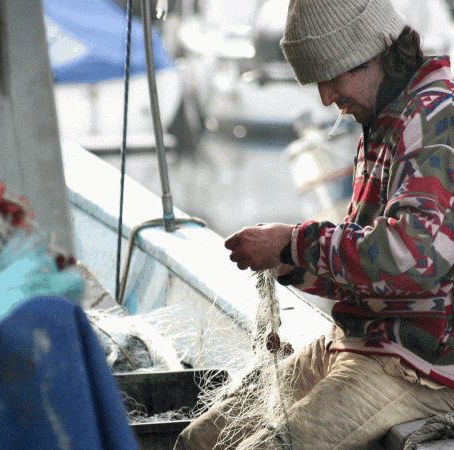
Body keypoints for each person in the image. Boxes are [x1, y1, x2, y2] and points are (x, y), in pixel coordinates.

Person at [174, 0, 454, 449]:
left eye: (332, 76)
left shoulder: (435, 116)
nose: (325, 97)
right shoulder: (386, 116)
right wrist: (288, 265)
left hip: (420, 366)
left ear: (375, 53)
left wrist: (291, 243)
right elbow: (368, 269)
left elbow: (407, 255)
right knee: (198, 441)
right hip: (360, 339)